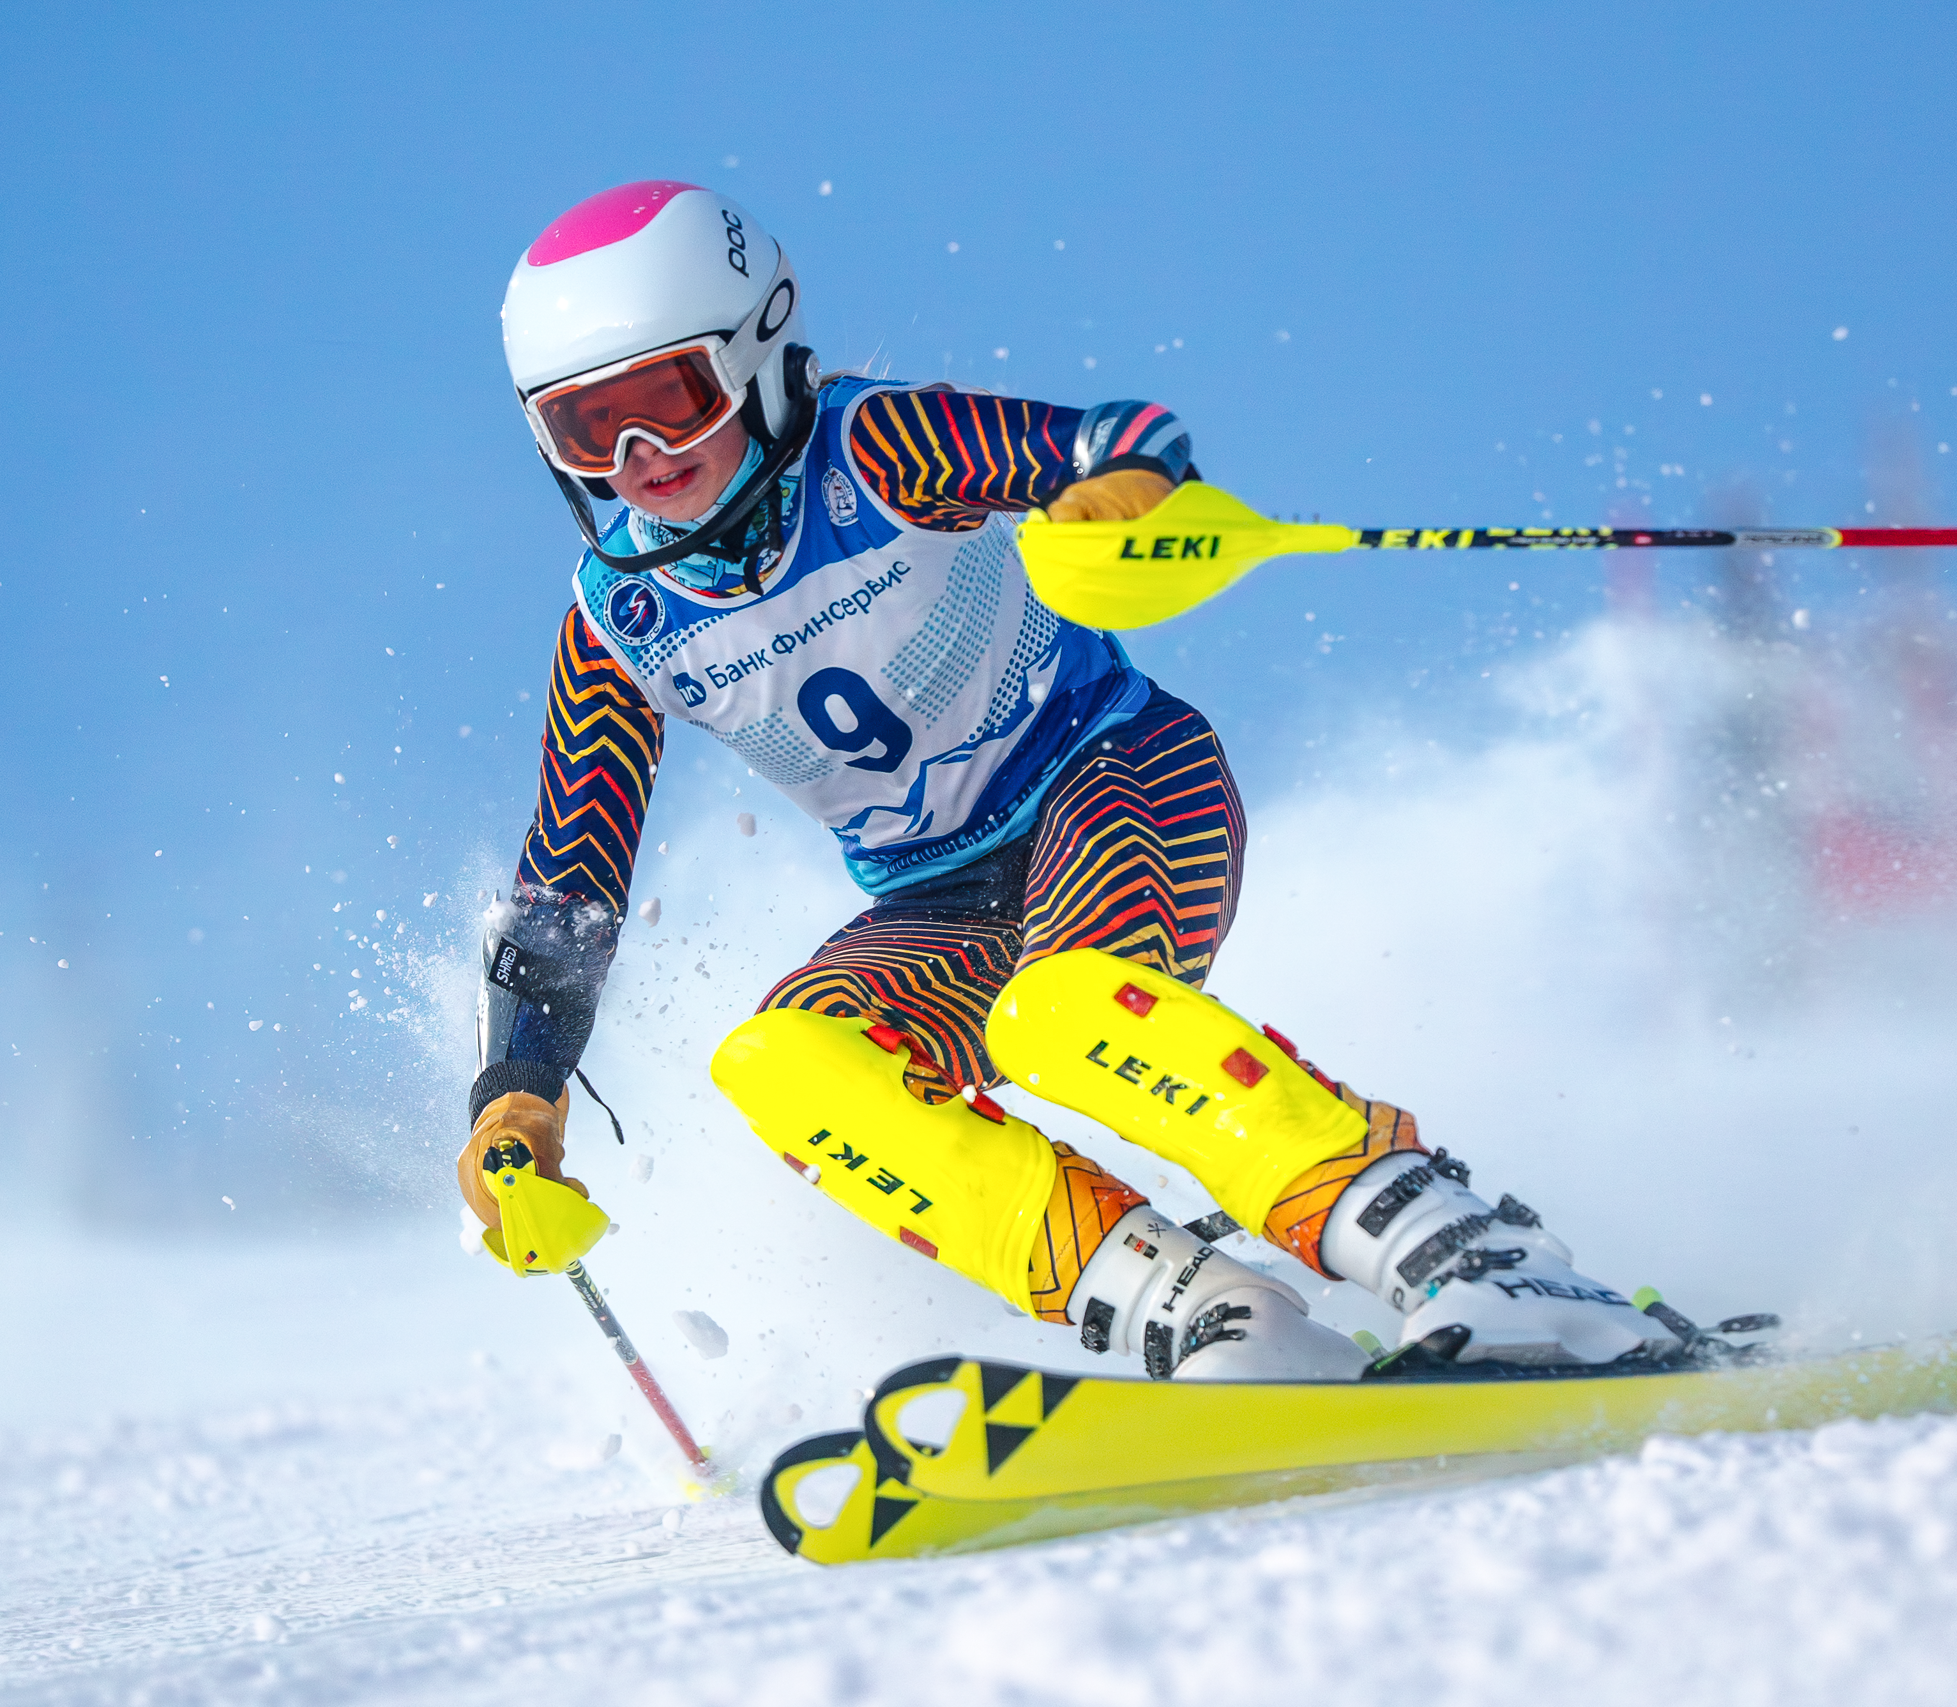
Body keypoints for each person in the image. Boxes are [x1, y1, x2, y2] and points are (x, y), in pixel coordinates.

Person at [457, 180, 1683, 1379]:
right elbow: (571, 884)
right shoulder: (617, 621)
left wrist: (1123, 499)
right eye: (584, 427)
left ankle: (1471, 1253)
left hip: (1114, 775)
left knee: (1066, 1008)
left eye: (672, 399)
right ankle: (1208, 1314)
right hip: (941, 901)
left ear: (762, 350)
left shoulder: (874, 451)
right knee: (782, 1062)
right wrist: (517, 1098)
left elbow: (1116, 439)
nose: (639, 456)